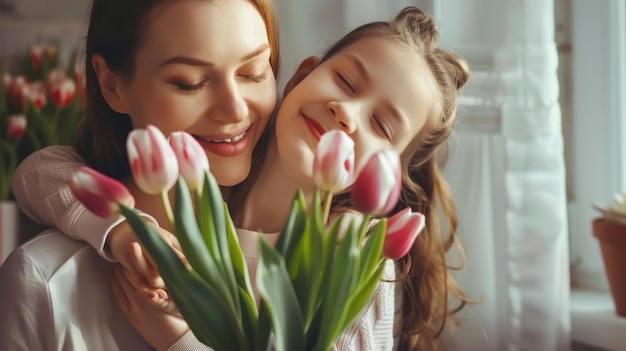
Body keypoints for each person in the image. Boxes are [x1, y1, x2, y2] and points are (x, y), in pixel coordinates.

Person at [8, 4, 470, 351]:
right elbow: (39, 172)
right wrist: (125, 228)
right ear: (301, 76)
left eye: (382, 127)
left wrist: (183, 342)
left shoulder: (354, 260)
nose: (346, 114)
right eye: (346, 83)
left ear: (389, 174)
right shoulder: (201, 192)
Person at [0, 0, 279, 350]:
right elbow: (36, 172)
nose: (235, 108)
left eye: (253, 72)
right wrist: (123, 227)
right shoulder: (45, 281)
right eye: (190, 83)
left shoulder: (306, 266)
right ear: (112, 85)